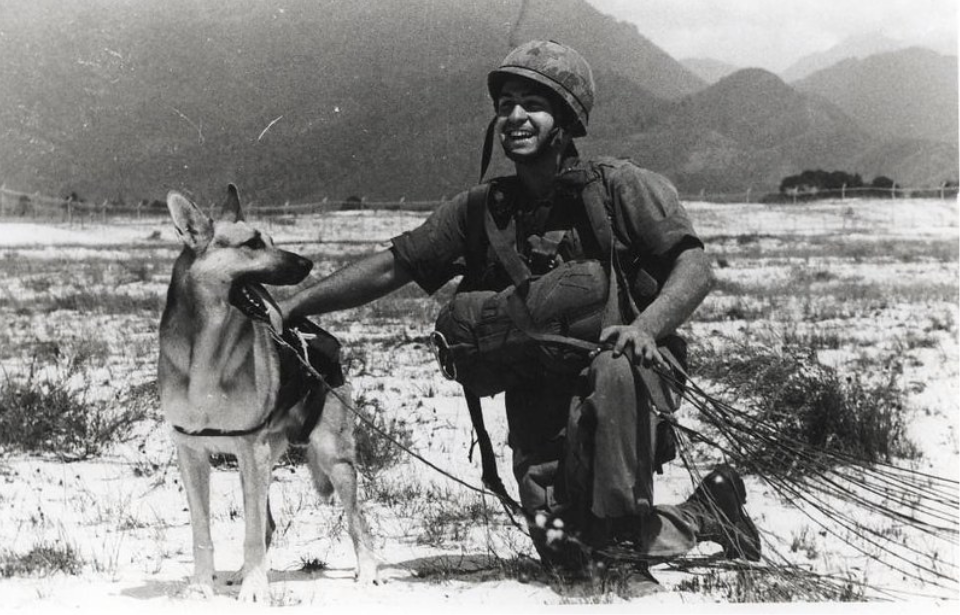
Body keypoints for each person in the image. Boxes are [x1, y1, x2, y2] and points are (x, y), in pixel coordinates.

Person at [280, 40, 760, 595]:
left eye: (532, 103)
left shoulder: (620, 187)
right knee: (567, 553)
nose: (513, 117)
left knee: (614, 373)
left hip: (633, 376)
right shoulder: (485, 208)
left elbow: (694, 267)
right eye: (505, 104)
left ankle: (627, 557)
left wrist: (644, 329)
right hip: (539, 391)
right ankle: (711, 511)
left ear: (567, 119)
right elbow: (394, 265)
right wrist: (294, 305)